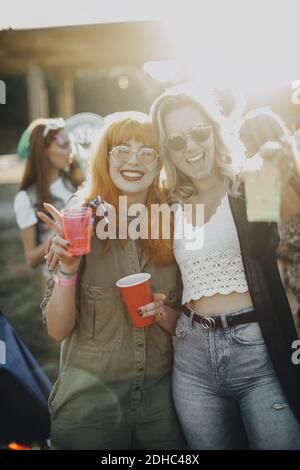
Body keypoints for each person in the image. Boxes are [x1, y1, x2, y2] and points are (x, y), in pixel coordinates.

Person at [149, 88, 300, 450]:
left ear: (214, 130)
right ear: (167, 149)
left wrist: (277, 174)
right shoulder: (168, 204)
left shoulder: (248, 182)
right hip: (192, 359)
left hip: (257, 352)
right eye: (177, 140)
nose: (192, 147)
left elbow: (275, 241)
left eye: (199, 131)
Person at [39, 113, 186, 450]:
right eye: (122, 149)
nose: (134, 160)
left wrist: (163, 311)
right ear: (104, 157)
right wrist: (69, 268)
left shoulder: (176, 223)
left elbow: (190, 327)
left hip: (161, 407)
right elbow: (57, 330)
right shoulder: (78, 221)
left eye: (146, 151)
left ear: (159, 162)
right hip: (90, 409)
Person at [238, 108, 300, 336]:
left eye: (247, 142)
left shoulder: (272, 184)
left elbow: (280, 245)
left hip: (290, 294)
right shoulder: (287, 180)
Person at [14, 118, 84, 281]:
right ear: (43, 149)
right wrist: (62, 231)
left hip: (88, 275)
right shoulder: (26, 198)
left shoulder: (75, 184)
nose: (70, 150)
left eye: (70, 142)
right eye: (63, 143)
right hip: (59, 281)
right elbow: (31, 259)